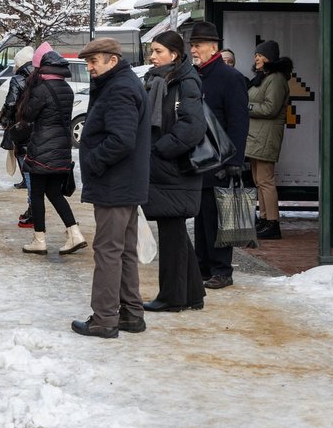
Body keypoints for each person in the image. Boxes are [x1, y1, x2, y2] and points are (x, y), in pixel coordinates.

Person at [71, 37, 150, 338]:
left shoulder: (119, 89)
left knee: (107, 252)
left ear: (112, 61)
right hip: (123, 183)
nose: (89, 67)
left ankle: (104, 319)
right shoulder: (121, 84)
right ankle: (131, 314)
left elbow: (121, 139)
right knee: (123, 251)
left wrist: (93, 161)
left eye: (94, 61)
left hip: (115, 184)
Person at [141, 32, 207, 312]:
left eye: (158, 51)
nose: (152, 56)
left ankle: (171, 297)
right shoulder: (161, 80)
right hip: (168, 170)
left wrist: (160, 150)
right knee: (175, 231)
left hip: (176, 168)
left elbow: (193, 127)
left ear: (174, 54)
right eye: (152, 51)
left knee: (172, 234)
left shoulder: (185, 81)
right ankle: (192, 294)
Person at [188, 21, 249, 290]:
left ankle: (222, 270)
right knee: (201, 217)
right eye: (192, 45)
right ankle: (203, 266)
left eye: (198, 45)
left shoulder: (230, 78)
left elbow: (239, 122)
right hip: (199, 158)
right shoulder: (195, 75)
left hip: (221, 160)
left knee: (218, 217)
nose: (193, 50)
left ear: (213, 47)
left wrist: (235, 161)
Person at [18, 42, 84, 255]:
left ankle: (39, 239)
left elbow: (27, 115)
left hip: (42, 148)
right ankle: (74, 233)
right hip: (62, 146)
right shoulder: (66, 87)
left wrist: (29, 89)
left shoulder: (41, 89)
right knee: (54, 193)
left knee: (37, 193)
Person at [246, 40, 293, 240]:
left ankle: (272, 223)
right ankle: (265, 220)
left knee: (265, 180)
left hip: (266, 137)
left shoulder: (275, 79)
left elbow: (270, 108)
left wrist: (246, 107)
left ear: (270, 58)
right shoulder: (264, 78)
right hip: (257, 136)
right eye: (256, 54)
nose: (256, 58)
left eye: (261, 55)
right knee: (259, 180)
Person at [0, 46, 35, 225]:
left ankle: (33, 210)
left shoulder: (18, 79)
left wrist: (4, 119)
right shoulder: (39, 77)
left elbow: (11, 102)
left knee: (27, 170)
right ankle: (34, 208)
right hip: (38, 130)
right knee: (34, 171)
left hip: (21, 129)